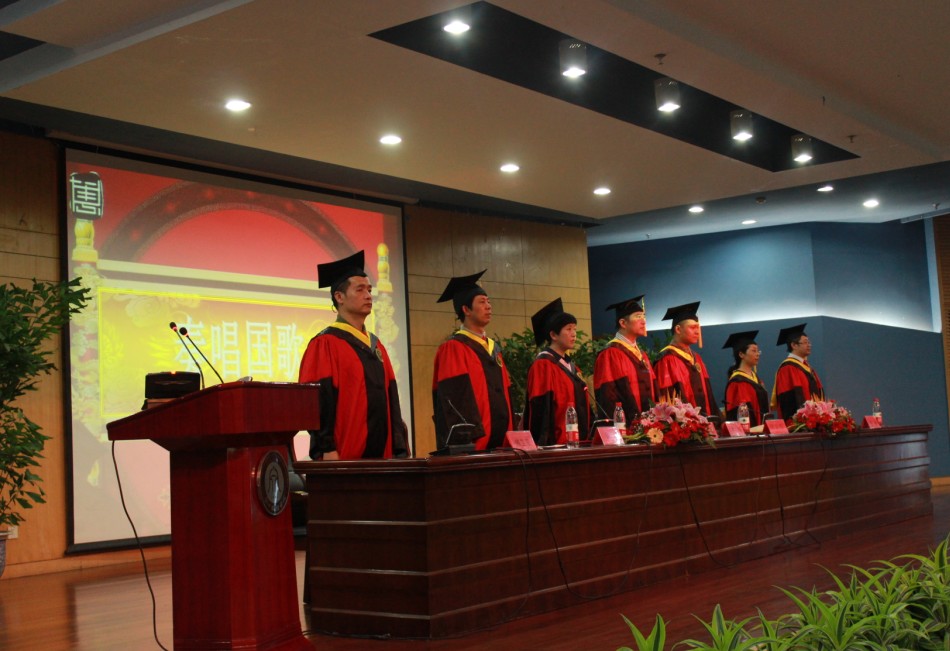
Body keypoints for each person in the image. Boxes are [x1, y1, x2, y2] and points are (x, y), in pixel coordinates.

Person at [298, 250, 409, 460]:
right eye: (359, 290)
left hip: (383, 460)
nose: (368, 295)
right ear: (339, 297)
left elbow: (392, 399)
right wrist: (326, 448)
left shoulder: (376, 345)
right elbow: (318, 402)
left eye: (369, 289)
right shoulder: (325, 344)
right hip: (344, 459)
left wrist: (398, 449)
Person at [432, 270, 514, 451]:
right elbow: (456, 400)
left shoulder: (493, 349)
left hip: (502, 445)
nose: (489, 306)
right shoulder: (454, 348)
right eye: (482, 302)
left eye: (489, 302)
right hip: (475, 446)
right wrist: (468, 442)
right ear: (466, 310)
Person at [523, 298, 592, 445]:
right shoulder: (543, 365)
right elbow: (540, 410)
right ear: (553, 335)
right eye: (568, 329)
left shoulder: (572, 367)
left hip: (578, 443)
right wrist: (543, 446)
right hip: (556, 445)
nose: (574, 334)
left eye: (574, 329)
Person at [593, 295, 655, 431]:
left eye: (643, 316)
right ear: (623, 323)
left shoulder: (642, 355)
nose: (643, 321)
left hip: (650, 429)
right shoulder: (610, 353)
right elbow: (608, 397)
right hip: (625, 431)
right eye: (638, 316)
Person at [654, 301, 716, 418]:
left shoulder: (696, 358)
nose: (697, 332)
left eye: (698, 327)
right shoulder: (667, 359)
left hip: (704, 422)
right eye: (692, 328)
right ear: (678, 329)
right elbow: (666, 399)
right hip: (683, 425)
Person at [772, 323, 825, 420]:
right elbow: (787, 399)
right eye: (805, 342)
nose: (809, 345)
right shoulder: (787, 368)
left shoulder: (808, 367)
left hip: (813, 421)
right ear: (794, 345)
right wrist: (797, 421)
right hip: (798, 423)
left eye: (809, 342)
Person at [722, 330, 770, 426]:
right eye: (753, 351)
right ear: (741, 354)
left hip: (762, 428)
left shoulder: (755, 378)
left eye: (758, 351)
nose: (757, 354)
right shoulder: (737, 382)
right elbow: (740, 413)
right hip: (750, 431)